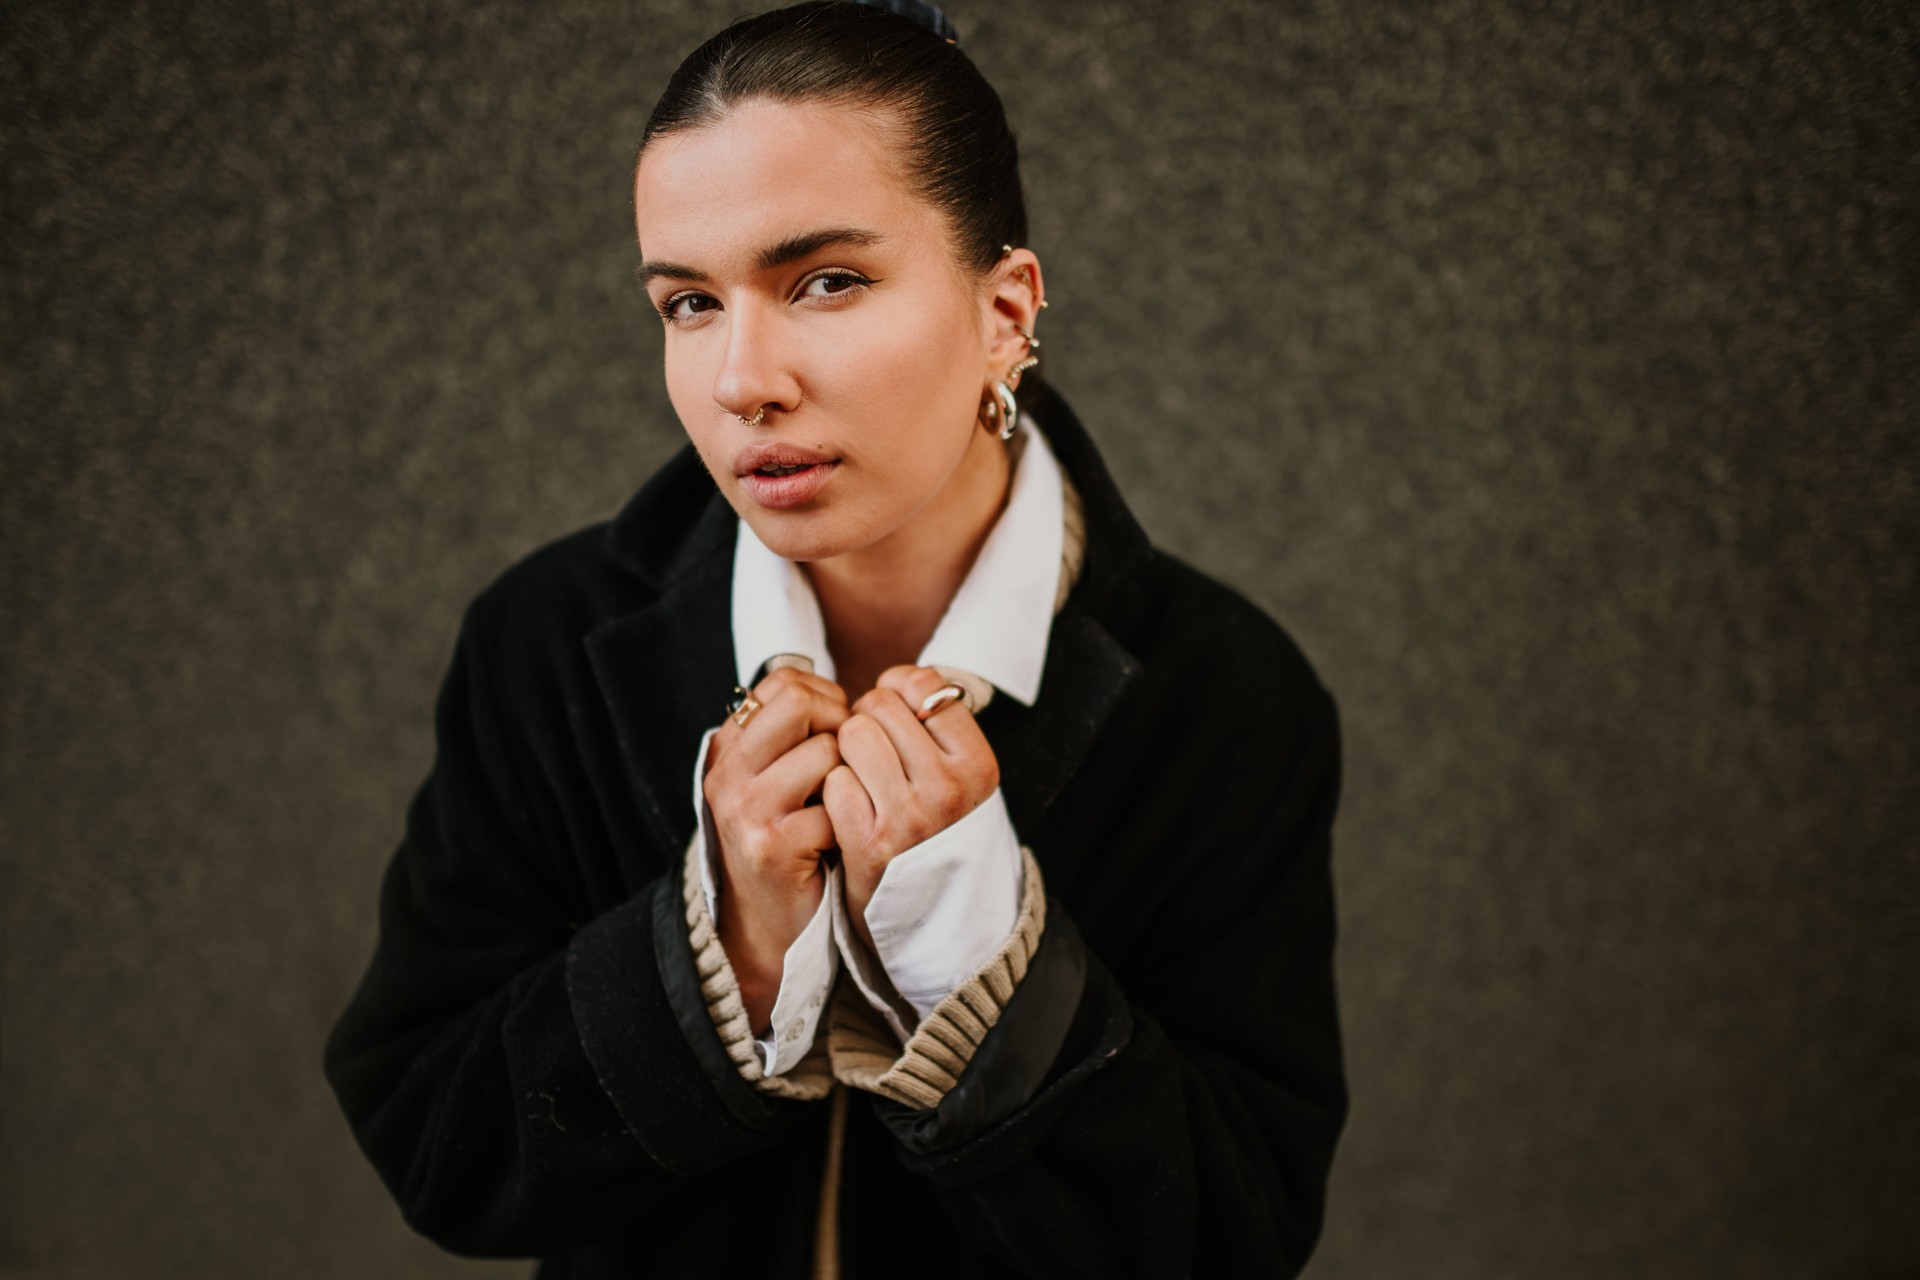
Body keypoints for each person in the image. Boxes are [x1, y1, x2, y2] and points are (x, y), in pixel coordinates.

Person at [322, 2, 1347, 1276]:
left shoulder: (1229, 698)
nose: (743, 376)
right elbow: (438, 1144)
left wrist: (981, 961)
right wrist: (721, 952)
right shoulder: (545, 640)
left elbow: (1229, 1234)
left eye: (826, 281)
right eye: (688, 302)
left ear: (1006, 311)